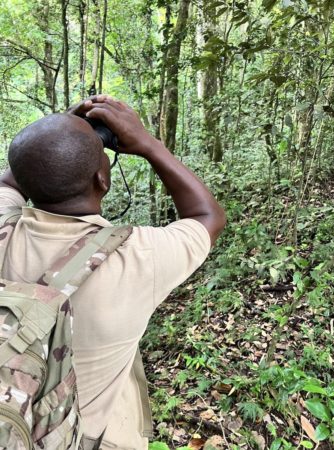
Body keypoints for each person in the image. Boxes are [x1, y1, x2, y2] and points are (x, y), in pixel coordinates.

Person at [0, 95, 226, 449]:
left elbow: (10, 183)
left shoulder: (4, 229)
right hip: (92, 439)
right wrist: (148, 143)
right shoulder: (139, 255)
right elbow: (208, 217)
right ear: (102, 179)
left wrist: (60, 130)